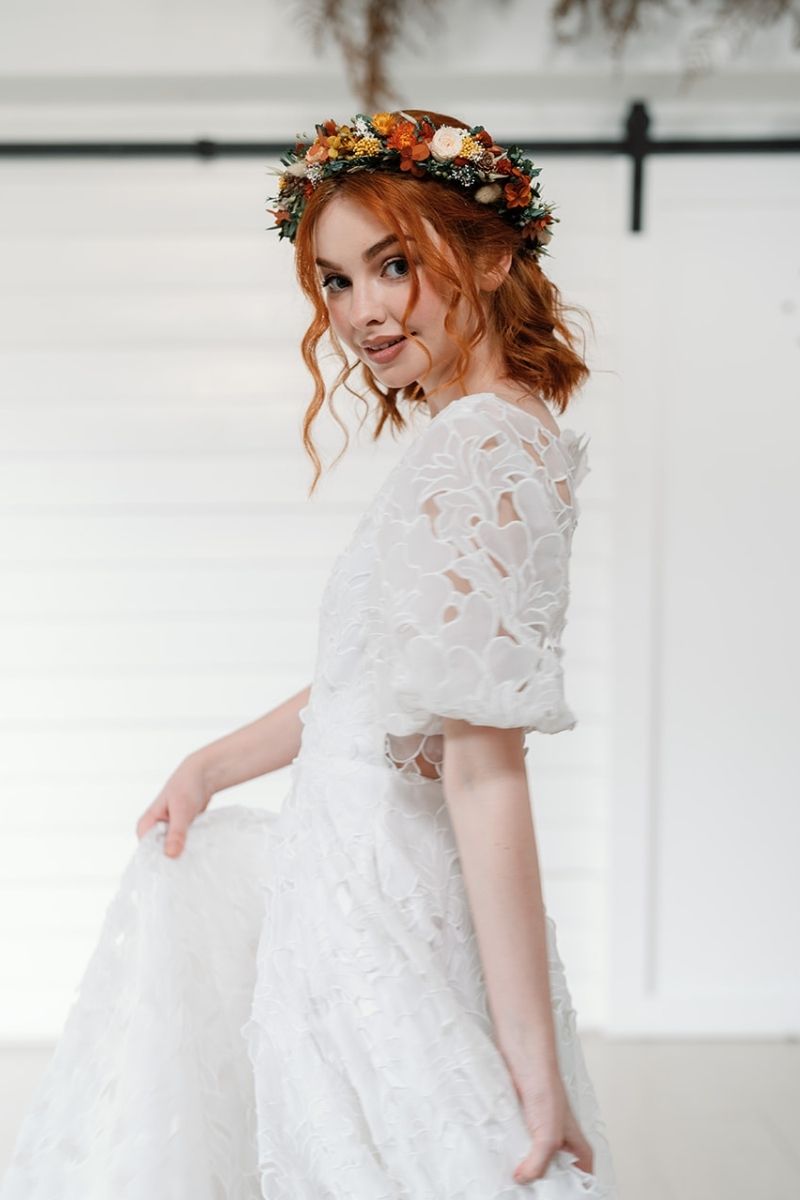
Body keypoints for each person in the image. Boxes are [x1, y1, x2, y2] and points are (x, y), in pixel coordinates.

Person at [0, 109, 618, 1198]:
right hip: (339, 892)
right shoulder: (476, 435)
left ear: (490, 249)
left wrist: (527, 1077)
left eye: (393, 264)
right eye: (335, 281)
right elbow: (371, 683)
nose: (363, 312)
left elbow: (482, 768)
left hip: (382, 914)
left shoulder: (478, 448)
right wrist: (210, 766)